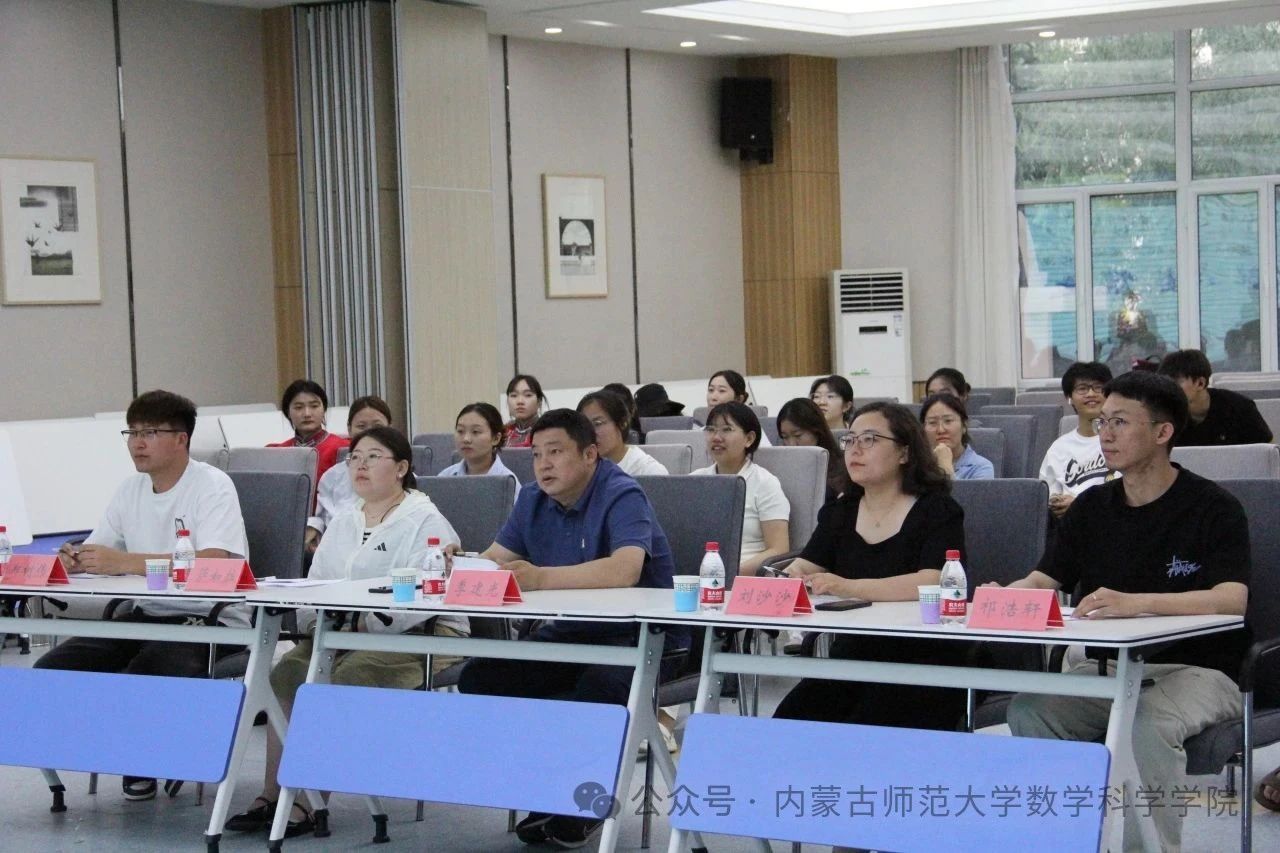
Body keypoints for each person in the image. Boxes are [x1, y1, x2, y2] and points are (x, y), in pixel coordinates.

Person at [1001, 371, 1249, 853]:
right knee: (1031, 710)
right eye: (1102, 422)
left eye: (1120, 422)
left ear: (1162, 432)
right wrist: (1003, 596)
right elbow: (1044, 580)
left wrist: (1137, 604)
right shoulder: (1092, 508)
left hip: (1199, 670)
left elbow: (1230, 598)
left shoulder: (1214, 507)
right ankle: (1069, 840)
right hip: (1109, 669)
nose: (1105, 434)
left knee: (1145, 723)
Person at [456, 409, 687, 849]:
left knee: (598, 687)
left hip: (642, 642)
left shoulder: (622, 493)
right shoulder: (531, 498)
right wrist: (458, 563)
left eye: (556, 452)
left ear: (589, 454)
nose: (543, 464)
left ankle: (581, 803)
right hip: (571, 635)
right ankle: (545, 787)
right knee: (483, 677)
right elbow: (495, 557)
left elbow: (625, 569)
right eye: (536, 454)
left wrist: (541, 577)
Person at [228, 426, 466, 837]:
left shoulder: (426, 520)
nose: (360, 465)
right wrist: (318, 622)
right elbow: (315, 583)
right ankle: (272, 794)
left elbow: (426, 594)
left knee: (345, 677)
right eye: (355, 457)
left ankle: (310, 803)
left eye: (373, 457)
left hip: (424, 634)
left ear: (401, 468)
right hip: (340, 632)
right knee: (286, 673)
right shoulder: (344, 519)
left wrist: (362, 623)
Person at [38, 390, 249, 802]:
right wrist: (77, 558)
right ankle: (100, 748)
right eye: (132, 432)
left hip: (209, 620)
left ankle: (142, 760)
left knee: (148, 670)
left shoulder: (212, 486)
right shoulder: (129, 490)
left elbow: (214, 561)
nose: (137, 442)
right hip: (145, 614)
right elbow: (101, 549)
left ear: (181, 439)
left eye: (150, 432)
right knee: (55, 667)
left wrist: (125, 562)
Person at [774, 402, 967, 731]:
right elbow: (806, 565)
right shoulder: (841, 511)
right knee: (789, 721)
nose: (855, 449)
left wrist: (846, 586)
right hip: (855, 653)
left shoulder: (938, 509)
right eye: (850, 440)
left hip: (926, 657)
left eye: (869, 439)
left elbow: (934, 581)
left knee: (867, 725)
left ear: (904, 452)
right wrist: (789, 577)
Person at [691, 401, 790, 576]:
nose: (716, 437)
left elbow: (779, 549)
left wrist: (728, 574)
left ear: (749, 439)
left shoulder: (765, 483)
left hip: (745, 578)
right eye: (711, 429)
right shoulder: (695, 480)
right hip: (696, 575)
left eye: (727, 430)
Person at [304, 395, 393, 553]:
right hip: (336, 552)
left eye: (377, 426)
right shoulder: (332, 476)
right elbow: (322, 517)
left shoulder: (400, 475)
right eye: (361, 426)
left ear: (390, 428)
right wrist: (314, 528)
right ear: (349, 429)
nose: (369, 433)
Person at [1039, 361, 1115, 518]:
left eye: (1098, 387)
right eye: (1082, 388)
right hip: (1068, 524)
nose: (1091, 394)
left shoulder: (1121, 440)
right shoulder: (1059, 448)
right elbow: (1046, 496)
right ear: (1069, 397)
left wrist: (1080, 505)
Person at [1157, 348, 1272, 445]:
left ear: (1200, 383)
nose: (1170, 388)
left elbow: (1267, 452)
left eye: (1176, 382)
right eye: (1166, 382)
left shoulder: (1240, 408)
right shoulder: (1164, 414)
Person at [268, 379, 349, 485]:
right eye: (298, 407)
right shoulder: (276, 452)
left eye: (314, 406)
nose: (307, 414)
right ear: (288, 412)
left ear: (324, 409)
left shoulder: (342, 448)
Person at [776, 397, 851, 501]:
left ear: (817, 431)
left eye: (798, 435)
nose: (791, 444)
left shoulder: (843, 469)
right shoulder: (780, 470)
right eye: (785, 437)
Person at [578, 390, 668, 476]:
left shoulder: (649, 471)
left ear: (622, 423)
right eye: (585, 426)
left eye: (598, 424)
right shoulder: (580, 470)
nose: (590, 433)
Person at [437, 402, 521, 489]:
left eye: (475, 432)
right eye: (460, 431)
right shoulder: (444, 477)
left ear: (496, 438)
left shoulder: (508, 482)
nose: (466, 439)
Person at [920, 393, 994, 480]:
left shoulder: (981, 467)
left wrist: (945, 467)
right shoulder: (917, 464)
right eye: (932, 422)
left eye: (948, 421)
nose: (941, 430)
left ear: (964, 425)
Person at [503, 374, 547, 448]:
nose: (520, 401)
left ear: (539, 402)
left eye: (528, 395)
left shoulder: (548, 431)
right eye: (514, 395)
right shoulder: (502, 433)